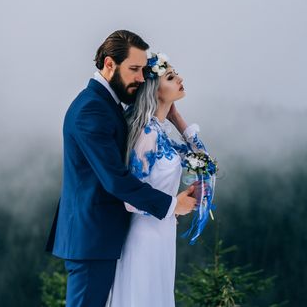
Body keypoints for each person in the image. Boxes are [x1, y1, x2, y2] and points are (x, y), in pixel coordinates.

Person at [45, 30, 197, 307]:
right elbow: (115, 180)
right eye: (134, 69)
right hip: (92, 238)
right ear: (109, 64)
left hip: (103, 236)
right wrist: (171, 205)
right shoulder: (91, 110)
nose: (141, 78)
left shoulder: (106, 104)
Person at [107, 52, 210, 307]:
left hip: (162, 235)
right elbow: (129, 200)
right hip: (145, 238)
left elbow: (205, 161)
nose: (180, 79)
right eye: (171, 77)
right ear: (154, 90)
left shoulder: (161, 132)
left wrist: (177, 120)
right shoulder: (146, 134)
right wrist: (175, 204)